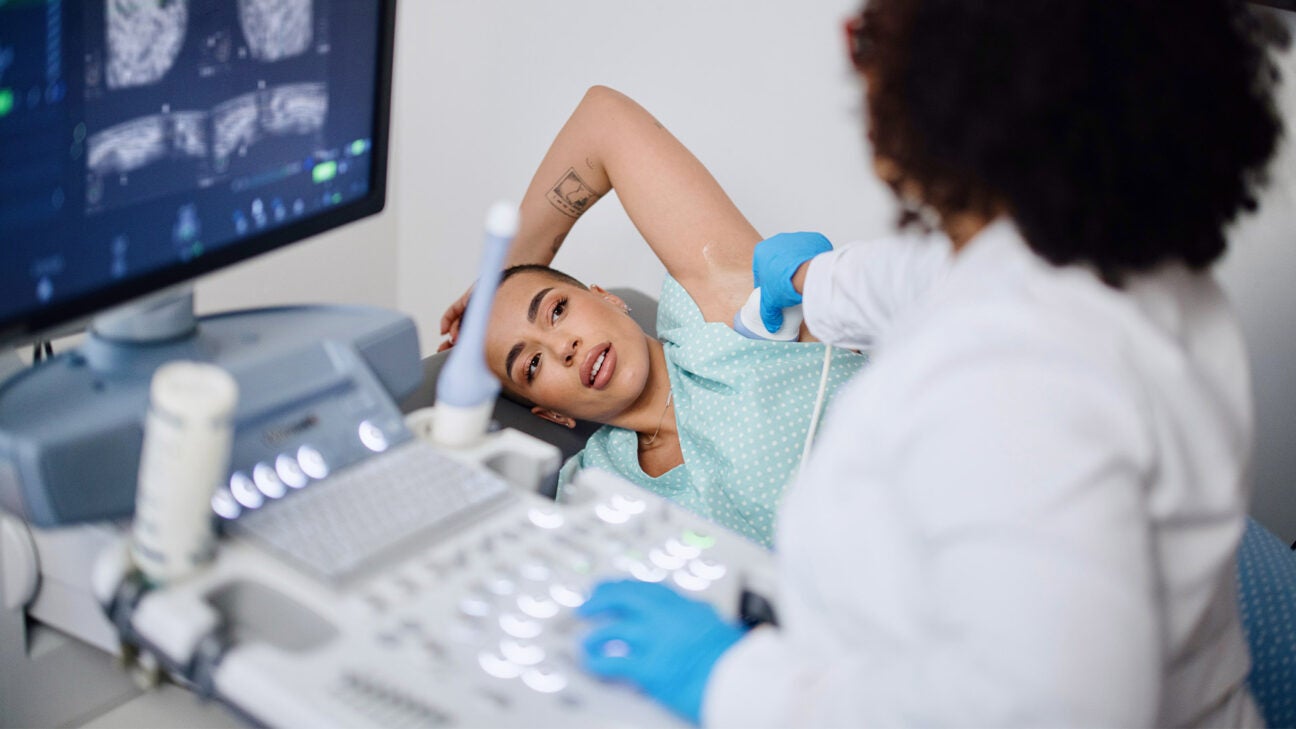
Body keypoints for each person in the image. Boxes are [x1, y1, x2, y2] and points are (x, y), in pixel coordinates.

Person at [573, 1, 1290, 726]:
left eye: (873, 38)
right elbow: (939, 276)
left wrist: (732, 681)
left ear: (955, 94)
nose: (860, 59)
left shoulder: (1018, 380)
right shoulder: (1129, 266)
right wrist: (815, 285)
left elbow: (1048, 708)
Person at [439, 86, 866, 547]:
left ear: (607, 297)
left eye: (557, 309)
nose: (562, 348)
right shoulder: (594, 490)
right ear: (552, 414)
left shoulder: (717, 318)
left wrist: (502, 272)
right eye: (532, 365)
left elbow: (603, 120)